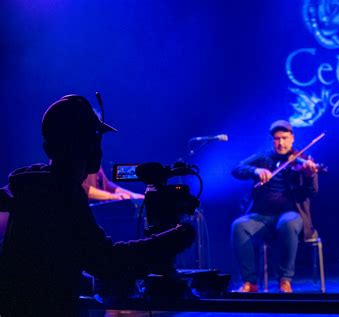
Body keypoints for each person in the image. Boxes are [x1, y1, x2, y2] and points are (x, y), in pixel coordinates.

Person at [0, 95, 194, 316]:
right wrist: (174, 239)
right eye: (96, 139)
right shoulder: (61, 193)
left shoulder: (35, 185)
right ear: (88, 146)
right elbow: (106, 261)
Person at [231, 120, 319, 293]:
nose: (281, 143)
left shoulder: (304, 160)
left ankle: (285, 280)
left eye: (285, 138)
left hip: (291, 215)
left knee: (288, 222)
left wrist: (309, 176)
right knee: (239, 226)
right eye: (277, 139)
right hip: (262, 216)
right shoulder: (264, 157)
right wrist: (255, 171)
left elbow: (312, 192)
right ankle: (250, 282)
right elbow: (236, 168)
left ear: (292, 139)